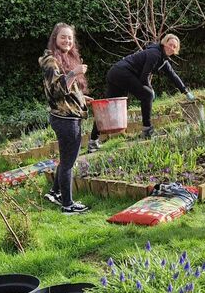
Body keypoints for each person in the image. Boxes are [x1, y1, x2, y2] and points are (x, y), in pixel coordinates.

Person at [88, 34, 195, 152]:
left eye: (175, 47)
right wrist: (150, 90)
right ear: (164, 43)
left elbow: (173, 76)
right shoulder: (155, 54)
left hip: (116, 73)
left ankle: (93, 141)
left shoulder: (163, 60)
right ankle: (147, 129)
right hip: (122, 73)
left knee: (108, 108)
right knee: (147, 95)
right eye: (170, 45)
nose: (172, 48)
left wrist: (185, 91)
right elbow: (145, 76)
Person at [40, 23, 92, 214]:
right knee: (69, 163)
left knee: (66, 159)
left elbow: (68, 90)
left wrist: (81, 98)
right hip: (65, 119)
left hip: (70, 116)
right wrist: (74, 73)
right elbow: (55, 91)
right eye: (63, 37)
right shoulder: (51, 61)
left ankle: (54, 192)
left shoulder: (63, 58)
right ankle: (68, 205)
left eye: (70, 38)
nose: (67, 41)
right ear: (55, 38)